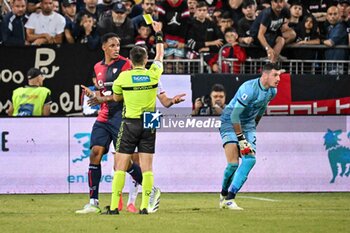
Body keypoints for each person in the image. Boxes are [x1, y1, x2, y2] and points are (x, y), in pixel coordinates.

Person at [102, 20, 164, 215]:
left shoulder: (123, 77)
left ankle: (113, 207)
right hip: (150, 120)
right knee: (147, 167)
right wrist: (159, 34)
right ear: (146, 60)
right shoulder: (154, 74)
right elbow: (161, 55)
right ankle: (145, 206)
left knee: (120, 165)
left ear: (130, 60)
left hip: (130, 120)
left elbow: (117, 97)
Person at [75, 32, 141, 214]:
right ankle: (93, 203)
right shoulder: (98, 67)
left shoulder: (126, 64)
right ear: (104, 47)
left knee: (124, 162)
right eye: (112, 45)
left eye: (118, 45)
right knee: (95, 153)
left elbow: (126, 93)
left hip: (122, 116)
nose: (116, 49)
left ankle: (149, 188)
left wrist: (102, 99)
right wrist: (93, 96)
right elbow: (102, 94)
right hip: (103, 117)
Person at [219, 63, 283, 210]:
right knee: (233, 164)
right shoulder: (249, 89)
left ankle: (230, 199)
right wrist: (241, 139)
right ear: (265, 75)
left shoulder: (272, 91)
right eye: (275, 75)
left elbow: (261, 110)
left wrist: (252, 129)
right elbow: (235, 115)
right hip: (229, 121)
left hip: (248, 125)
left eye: (279, 75)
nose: (278, 78)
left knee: (250, 160)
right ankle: (222, 194)